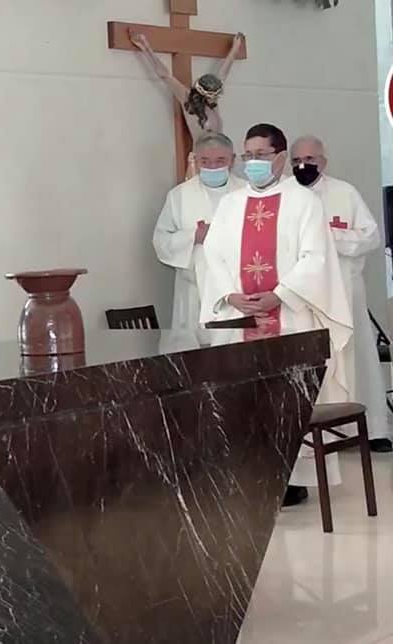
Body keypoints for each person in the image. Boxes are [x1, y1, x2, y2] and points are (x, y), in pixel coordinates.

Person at [199, 123, 354, 507]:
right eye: (248, 155)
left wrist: (279, 295)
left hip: (290, 319)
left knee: (287, 400)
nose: (252, 163)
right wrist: (230, 295)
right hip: (241, 320)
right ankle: (250, 477)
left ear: (281, 157)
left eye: (260, 156)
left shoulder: (304, 202)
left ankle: (291, 479)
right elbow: (213, 255)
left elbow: (315, 258)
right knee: (243, 399)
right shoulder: (230, 204)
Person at [285, 135, 391, 453]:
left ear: (324, 161)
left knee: (357, 356)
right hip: (304, 295)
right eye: (296, 160)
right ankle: (318, 434)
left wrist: (332, 237)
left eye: (310, 159)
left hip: (344, 291)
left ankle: (372, 428)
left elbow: (370, 236)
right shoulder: (284, 195)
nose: (302, 165)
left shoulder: (344, 193)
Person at [153, 131, 246, 329]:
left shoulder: (247, 192)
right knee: (197, 344)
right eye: (205, 161)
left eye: (220, 160)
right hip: (194, 289)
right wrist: (193, 236)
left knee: (236, 342)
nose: (212, 167)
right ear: (195, 160)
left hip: (238, 287)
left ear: (232, 160)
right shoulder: (179, 195)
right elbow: (161, 241)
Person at [130, 30, 245, 177]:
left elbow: (222, 75)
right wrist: (146, 47)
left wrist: (234, 49)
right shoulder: (187, 99)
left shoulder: (213, 102)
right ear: (203, 93)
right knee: (194, 190)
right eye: (212, 96)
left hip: (219, 159)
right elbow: (165, 75)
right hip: (200, 161)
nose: (214, 99)